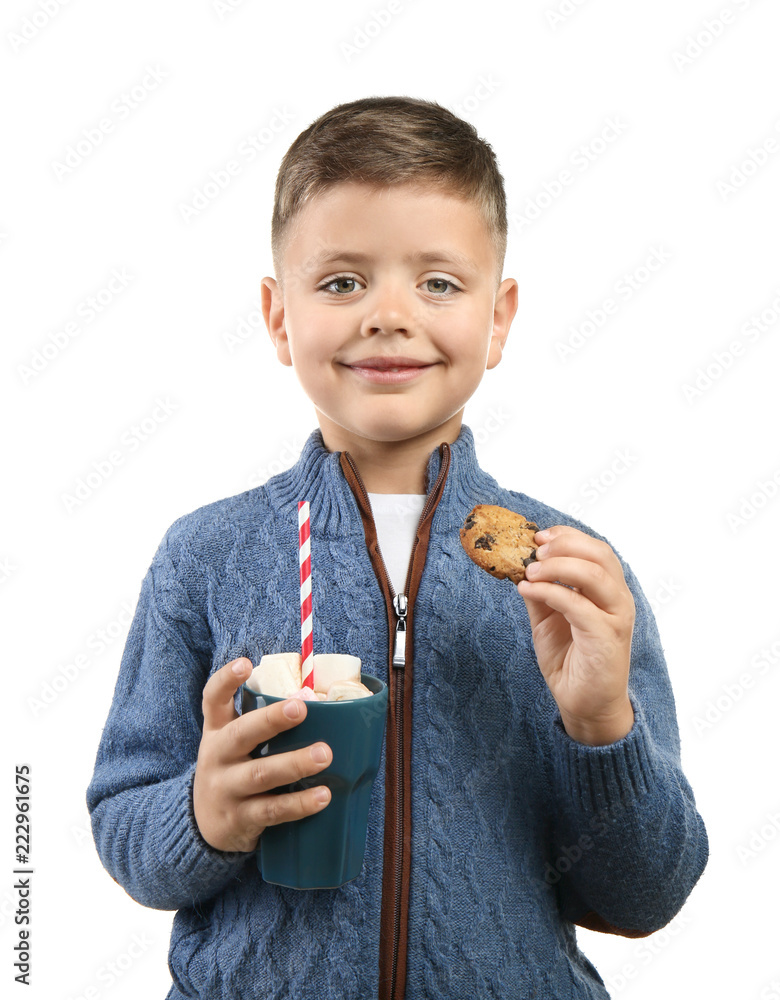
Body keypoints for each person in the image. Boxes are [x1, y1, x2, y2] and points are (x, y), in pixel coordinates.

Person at [87, 95, 708, 999]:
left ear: (499, 319)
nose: (388, 314)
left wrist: (603, 723)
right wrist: (203, 813)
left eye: (439, 284)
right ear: (277, 316)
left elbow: (648, 896)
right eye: (341, 282)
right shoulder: (205, 556)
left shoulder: (577, 577)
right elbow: (126, 830)